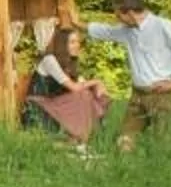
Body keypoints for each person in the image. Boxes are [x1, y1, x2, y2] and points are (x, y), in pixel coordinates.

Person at [87, 0, 171, 153]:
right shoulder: (128, 30)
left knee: (162, 141)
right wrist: (76, 24)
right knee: (124, 139)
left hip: (160, 96)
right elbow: (106, 31)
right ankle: (124, 172)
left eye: (119, 16)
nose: (118, 20)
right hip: (137, 96)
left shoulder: (162, 25)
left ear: (130, 13)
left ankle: (160, 173)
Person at [20, 20, 111, 151]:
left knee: (87, 94)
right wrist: (97, 81)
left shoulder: (70, 64)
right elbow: (74, 87)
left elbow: (82, 84)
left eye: (78, 42)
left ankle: (83, 137)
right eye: (72, 42)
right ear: (62, 44)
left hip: (53, 106)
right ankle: (79, 139)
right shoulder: (49, 60)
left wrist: (98, 89)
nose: (77, 45)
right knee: (82, 94)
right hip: (39, 108)